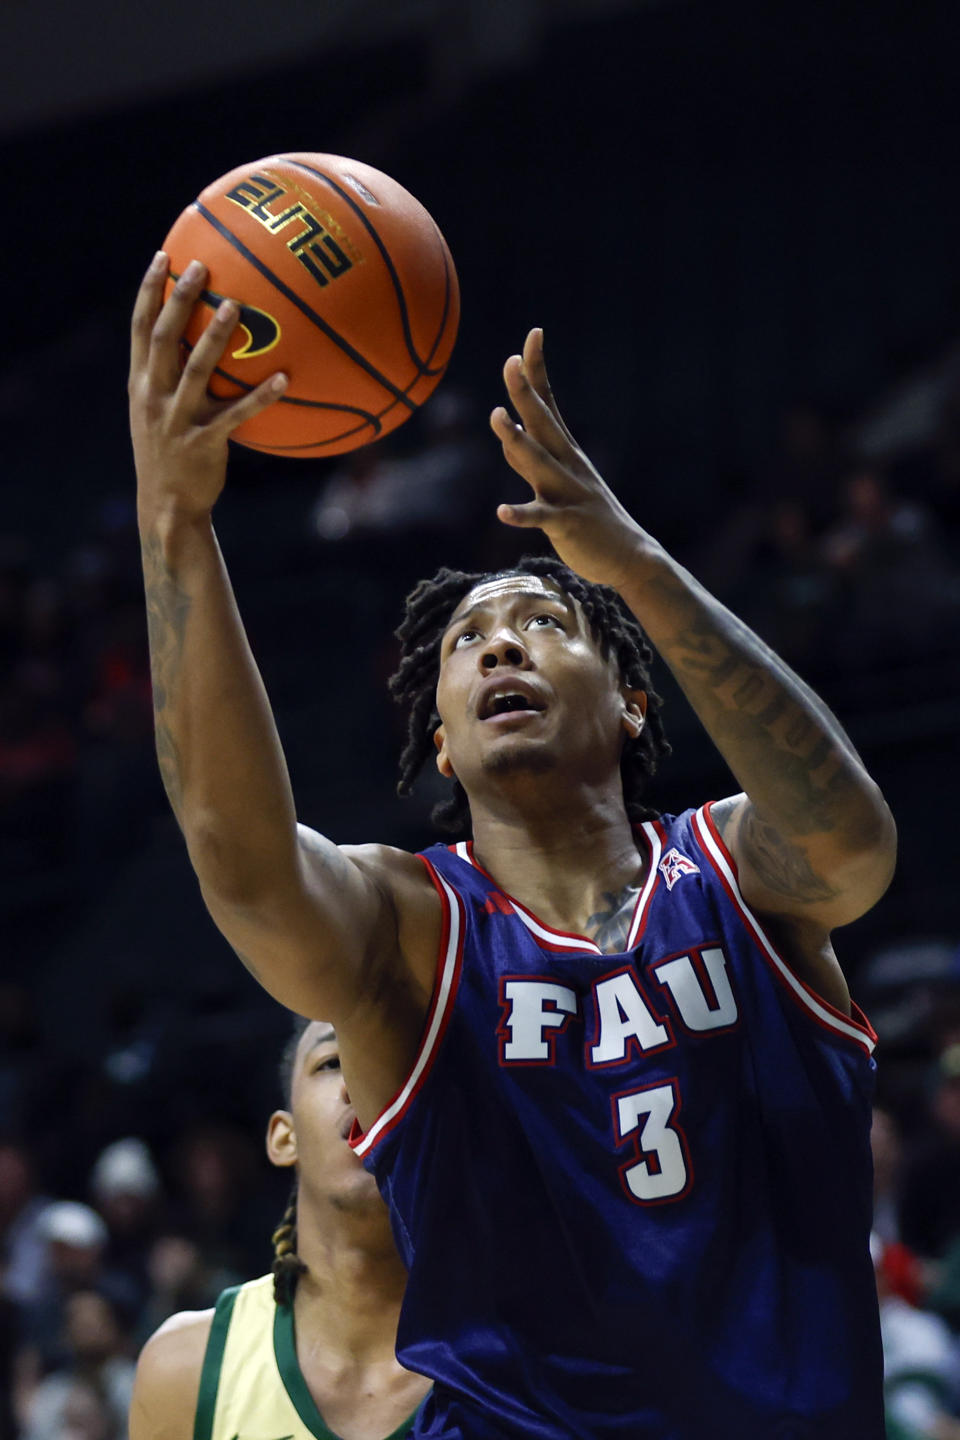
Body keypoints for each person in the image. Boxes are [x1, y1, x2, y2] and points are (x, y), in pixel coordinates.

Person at [129, 254, 898, 1438]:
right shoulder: (412, 930)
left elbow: (854, 840)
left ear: (632, 701)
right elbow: (241, 859)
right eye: (467, 642)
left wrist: (634, 567)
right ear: (439, 744)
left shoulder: (739, 874)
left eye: (546, 623)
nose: (500, 647)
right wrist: (176, 521)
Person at [128, 1017, 431, 1440]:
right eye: (331, 1062)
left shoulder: (529, 1356)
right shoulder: (185, 1368)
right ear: (283, 1138)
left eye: (399, 1061)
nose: (364, 1078)